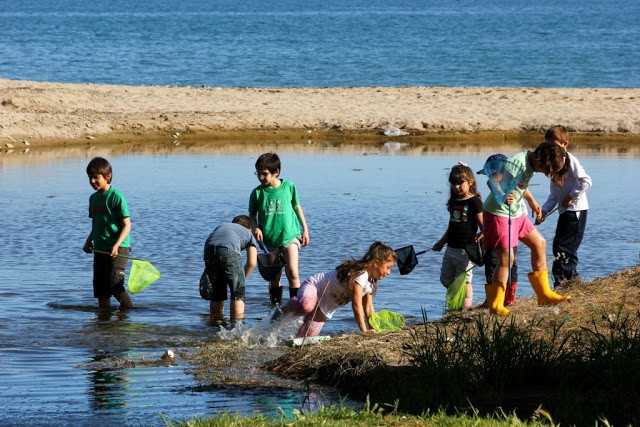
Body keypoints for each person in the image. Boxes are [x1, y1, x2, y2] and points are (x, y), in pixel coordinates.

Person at [482, 142, 572, 315]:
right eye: (545, 169)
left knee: (539, 243)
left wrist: (532, 201)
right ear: (540, 157)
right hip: (498, 214)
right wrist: (501, 194)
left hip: (516, 214)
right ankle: (495, 305)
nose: (544, 173)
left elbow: (520, 185)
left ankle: (544, 295)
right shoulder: (516, 164)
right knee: (507, 259)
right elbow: (491, 181)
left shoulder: (529, 164)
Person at [273, 241, 396, 338]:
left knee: (303, 339)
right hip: (315, 287)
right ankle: (285, 308)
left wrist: (372, 329)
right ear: (375, 263)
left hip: (324, 307)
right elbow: (357, 305)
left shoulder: (370, 282)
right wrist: (364, 331)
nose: (389, 272)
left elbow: (368, 308)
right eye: (387, 268)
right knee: (306, 306)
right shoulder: (361, 275)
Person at [249, 152, 310, 305]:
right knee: (275, 277)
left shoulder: (289, 186)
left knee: (293, 273)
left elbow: (297, 207)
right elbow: (252, 214)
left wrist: (305, 229)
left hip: (290, 236)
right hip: (270, 241)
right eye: (258, 173)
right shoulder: (257, 193)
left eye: (264, 174)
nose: (260, 177)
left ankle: (294, 307)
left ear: (276, 172)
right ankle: (275, 308)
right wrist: (255, 227)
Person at [540, 125, 592, 287]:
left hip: (576, 211)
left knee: (564, 248)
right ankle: (567, 282)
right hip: (564, 212)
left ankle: (565, 283)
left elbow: (586, 181)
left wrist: (571, 196)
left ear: (565, 144)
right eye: (548, 145)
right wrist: (544, 210)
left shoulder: (570, 160)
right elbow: (554, 194)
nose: (551, 149)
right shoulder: (553, 163)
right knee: (560, 246)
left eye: (554, 145)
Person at [82, 157, 133, 310]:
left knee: (114, 285)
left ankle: (128, 313)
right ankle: (104, 323)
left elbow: (127, 226)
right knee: (101, 289)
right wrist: (88, 241)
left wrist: (116, 245)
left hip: (119, 249)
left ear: (108, 176)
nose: (92, 181)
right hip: (100, 249)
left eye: (95, 177)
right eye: (90, 178)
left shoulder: (116, 197)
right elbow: (96, 225)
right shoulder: (93, 199)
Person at [432, 163, 483, 309]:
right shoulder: (454, 202)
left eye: (461, 183)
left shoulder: (474, 202)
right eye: (454, 183)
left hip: (465, 249)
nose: (457, 187)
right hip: (451, 248)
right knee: (445, 278)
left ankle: (465, 308)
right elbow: (452, 226)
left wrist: (482, 234)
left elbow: (483, 225)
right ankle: (457, 301)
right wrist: (441, 242)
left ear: (470, 182)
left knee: (465, 280)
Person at [203, 215, 258, 321]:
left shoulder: (223, 226)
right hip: (228, 251)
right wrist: (240, 279)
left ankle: (215, 324)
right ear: (249, 228)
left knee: (217, 293)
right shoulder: (248, 233)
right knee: (238, 293)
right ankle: (236, 327)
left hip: (209, 250)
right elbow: (252, 263)